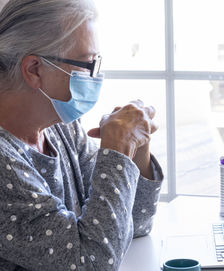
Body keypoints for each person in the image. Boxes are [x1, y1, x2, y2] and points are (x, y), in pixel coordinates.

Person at [0, 0, 164, 270]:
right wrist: (117, 153)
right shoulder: (4, 164)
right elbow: (92, 263)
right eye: (88, 64)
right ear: (34, 70)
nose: (96, 76)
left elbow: (133, 222)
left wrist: (137, 146)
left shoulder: (60, 126)